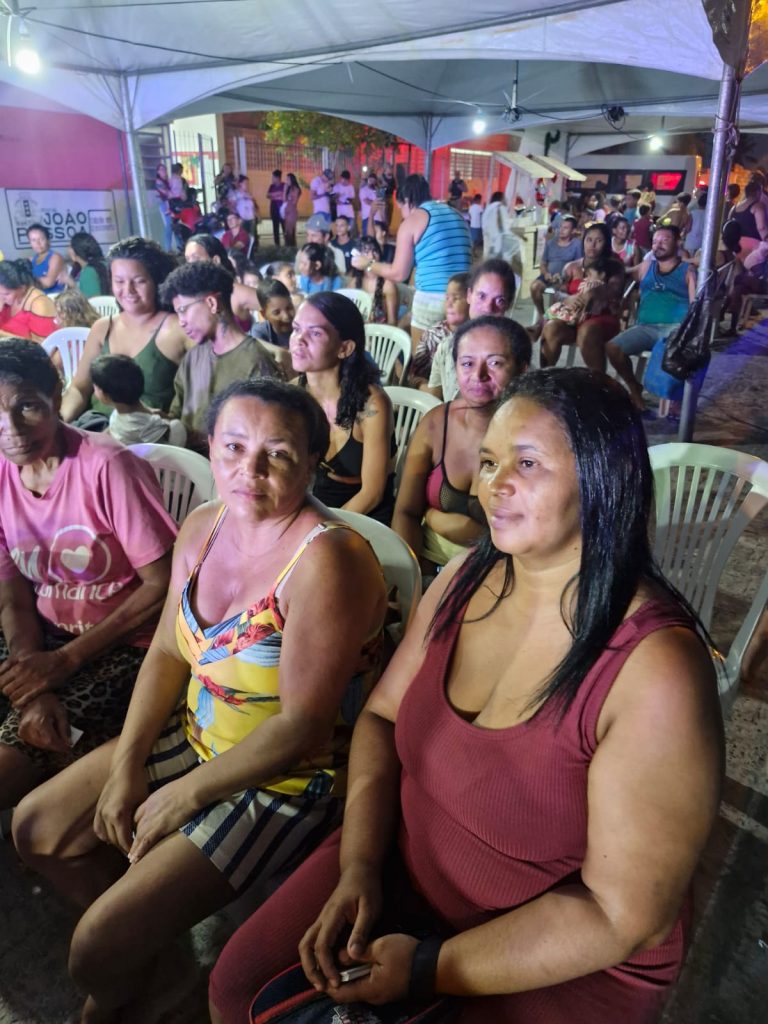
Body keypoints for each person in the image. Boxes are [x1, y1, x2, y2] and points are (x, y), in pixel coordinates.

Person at [208, 367, 722, 1024]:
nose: (490, 486)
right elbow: (380, 718)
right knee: (235, 988)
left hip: (559, 952)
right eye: (487, 462)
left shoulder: (655, 669)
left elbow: (625, 916)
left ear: (604, 478)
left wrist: (430, 967)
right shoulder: (462, 580)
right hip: (407, 863)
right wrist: (360, 863)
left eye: (526, 463)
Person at [13, 376, 388, 1024]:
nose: (250, 469)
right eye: (234, 447)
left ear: (312, 463)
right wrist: (128, 763)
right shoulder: (204, 526)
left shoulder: (328, 560)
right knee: (36, 829)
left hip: (285, 777)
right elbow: (166, 652)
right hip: (196, 734)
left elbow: (301, 725)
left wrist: (184, 795)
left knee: (92, 952)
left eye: (278, 453)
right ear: (210, 445)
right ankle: (148, 951)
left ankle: (136, 968)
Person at [0, 339, 176, 809]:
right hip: (42, 637)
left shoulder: (108, 467)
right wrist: (31, 681)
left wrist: (66, 661)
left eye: (27, 407)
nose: (12, 430)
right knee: (31, 716)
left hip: (125, 644)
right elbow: (13, 594)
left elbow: (163, 584)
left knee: (13, 760)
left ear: (56, 398)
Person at [393, 316, 530, 573]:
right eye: (467, 363)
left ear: (522, 369)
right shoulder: (436, 424)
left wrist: (438, 519)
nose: (478, 375)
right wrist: (408, 577)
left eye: (495, 363)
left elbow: (525, 535)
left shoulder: (532, 438)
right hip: (425, 562)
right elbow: (406, 512)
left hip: (497, 571)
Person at [291, 292, 395, 523]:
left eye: (315, 333)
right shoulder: (293, 395)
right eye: (296, 329)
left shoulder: (371, 404)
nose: (299, 340)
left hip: (367, 512)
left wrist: (324, 528)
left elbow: (372, 493)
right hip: (319, 499)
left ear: (345, 348)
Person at [60, 237, 188, 424]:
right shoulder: (103, 327)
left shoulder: (178, 328)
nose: (128, 290)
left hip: (146, 434)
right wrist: (61, 421)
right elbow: (79, 388)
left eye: (139, 281)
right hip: (94, 428)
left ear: (157, 281)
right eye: (119, 281)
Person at [163, 261, 282, 451]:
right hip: (185, 464)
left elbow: (264, 436)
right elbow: (176, 415)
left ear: (212, 303)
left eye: (183, 310)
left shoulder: (256, 362)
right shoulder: (193, 357)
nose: (181, 322)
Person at [350, 174, 471, 350]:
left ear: (407, 200)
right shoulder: (457, 215)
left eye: (401, 208)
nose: (403, 214)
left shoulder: (414, 220)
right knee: (455, 356)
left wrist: (367, 264)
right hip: (465, 298)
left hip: (432, 299)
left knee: (422, 360)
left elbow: (399, 273)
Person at [606, 224, 696, 409]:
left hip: (675, 328)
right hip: (645, 327)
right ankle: (634, 387)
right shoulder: (647, 266)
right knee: (612, 348)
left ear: (678, 242)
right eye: (655, 241)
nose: (658, 245)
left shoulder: (687, 270)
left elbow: (695, 305)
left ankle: (673, 399)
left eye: (665, 240)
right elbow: (623, 272)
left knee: (670, 353)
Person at [540, 222, 625, 372]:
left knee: (586, 331)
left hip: (601, 317)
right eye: (589, 240)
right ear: (583, 241)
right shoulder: (572, 267)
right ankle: (543, 377)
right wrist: (568, 299)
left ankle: (598, 381)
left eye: (599, 240)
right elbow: (556, 291)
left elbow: (615, 292)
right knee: (551, 328)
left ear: (606, 243)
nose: (592, 245)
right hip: (572, 317)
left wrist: (594, 292)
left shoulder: (614, 267)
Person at [428, 260, 517, 401]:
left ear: (509, 304)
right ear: (469, 295)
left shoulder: (515, 355)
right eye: (481, 296)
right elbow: (433, 401)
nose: (488, 308)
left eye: (499, 300)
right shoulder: (447, 347)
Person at [90, 354, 187, 447]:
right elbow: (112, 429)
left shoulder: (134, 428)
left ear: (106, 396)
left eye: (95, 386)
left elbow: (167, 441)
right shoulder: (126, 413)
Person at [184, 233, 262, 330]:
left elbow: (273, 306)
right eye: (187, 259)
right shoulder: (190, 296)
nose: (190, 265)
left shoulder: (235, 291)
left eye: (196, 258)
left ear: (215, 260)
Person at [410, 272, 469, 386]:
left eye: (456, 298)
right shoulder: (432, 334)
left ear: (470, 300)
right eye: (447, 298)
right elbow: (416, 376)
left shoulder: (475, 337)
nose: (449, 303)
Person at [529, 215, 583, 324]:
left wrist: (566, 280)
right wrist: (546, 274)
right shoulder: (550, 243)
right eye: (561, 227)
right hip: (548, 276)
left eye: (565, 228)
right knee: (534, 287)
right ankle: (541, 316)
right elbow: (543, 263)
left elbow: (578, 265)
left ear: (573, 231)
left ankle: (552, 321)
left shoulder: (576, 244)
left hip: (565, 278)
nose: (561, 230)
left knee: (558, 292)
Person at [0, 259, 57, 342]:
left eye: (6, 294)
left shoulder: (39, 304)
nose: (1, 297)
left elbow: (41, 345)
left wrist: (2, 334)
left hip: (27, 349)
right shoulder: (4, 298)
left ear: (22, 288)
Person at [249, 278, 295, 375]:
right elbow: (251, 343)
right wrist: (279, 351)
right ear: (264, 314)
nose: (286, 316)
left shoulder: (301, 325)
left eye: (289, 308)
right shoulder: (260, 332)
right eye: (277, 312)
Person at [352, 237, 398, 325]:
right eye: (366, 252)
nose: (371, 256)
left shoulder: (387, 285)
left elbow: (392, 322)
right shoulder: (353, 283)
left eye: (375, 251)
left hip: (379, 331)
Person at [481, 191, 524, 275]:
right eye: (505, 198)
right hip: (500, 245)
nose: (506, 201)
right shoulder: (500, 207)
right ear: (501, 199)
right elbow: (505, 228)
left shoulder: (488, 209)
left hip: (489, 244)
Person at [68, 232, 109, 298]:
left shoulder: (89, 272)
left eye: (70, 247)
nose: (67, 250)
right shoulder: (104, 263)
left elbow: (92, 300)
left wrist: (73, 285)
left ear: (77, 250)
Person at [27, 224, 65, 295]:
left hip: (53, 297)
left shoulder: (55, 257)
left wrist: (26, 279)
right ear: (30, 242)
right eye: (33, 240)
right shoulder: (30, 260)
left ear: (48, 240)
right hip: (37, 296)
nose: (38, 243)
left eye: (41, 239)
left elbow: (48, 283)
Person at [154, 163, 174, 251]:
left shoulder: (166, 181)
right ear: (158, 172)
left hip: (168, 203)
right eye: (161, 170)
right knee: (169, 225)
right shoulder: (159, 181)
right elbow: (166, 193)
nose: (164, 171)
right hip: (164, 204)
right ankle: (168, 248)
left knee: (172, 225)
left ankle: (171, 247)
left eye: (164, 169)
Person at [233, 176, 258, 244]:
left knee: (251, 238)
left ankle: (252, 249)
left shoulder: (249, 194)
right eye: (245, 183)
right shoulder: (236, 195)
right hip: (242, 219)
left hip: (251, 219)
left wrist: (256, 215)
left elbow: (253, 206)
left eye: (247, 183)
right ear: (240, 184)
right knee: (242, 238)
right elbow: (232, 207)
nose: (247, 185)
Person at [683, 192, 707, 258]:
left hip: (691, 243)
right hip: (703, 244)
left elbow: (688, 228)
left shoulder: (693, 213)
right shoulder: (710, 215)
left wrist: (684, 235)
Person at [283, 173, 302, 247]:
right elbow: (284, 200)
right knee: (286, 231)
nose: (286, 181)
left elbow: (294, 201)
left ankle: (291, 247)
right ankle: (288, 246)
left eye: (288, 179)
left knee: (290, 231)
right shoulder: (288, 189)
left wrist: (290, 199)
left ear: (292, 180)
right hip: (287, 211)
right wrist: (285, 190)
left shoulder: (296, 189)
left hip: (292, 211)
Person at [267, 170, 285, 246]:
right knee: (275, 227)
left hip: (282, 209)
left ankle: (287, 245)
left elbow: (284, 195)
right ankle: (277, 245)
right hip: (274, 208)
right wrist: (278, 194)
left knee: (284, 227)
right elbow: (268, 195)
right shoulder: (272, 186)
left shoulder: (284, 185)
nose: (272, 179)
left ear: (278, 178)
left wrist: (274, 195)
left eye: (273, 177)